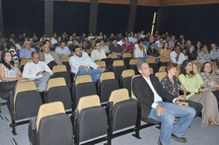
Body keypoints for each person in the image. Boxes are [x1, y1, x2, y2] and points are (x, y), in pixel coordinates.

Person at [133, 61, 195, 145]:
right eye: (145, 68)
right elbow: (141, 98)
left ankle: (176, 132)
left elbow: (163, 92)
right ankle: (163, 142)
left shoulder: (154, 78)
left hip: (162, 103)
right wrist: (156, 106)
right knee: (169, 118)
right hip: (150, 107)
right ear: (140, 71)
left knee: (191, 111)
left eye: (148, 67)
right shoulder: (136, 80)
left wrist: (176, 101)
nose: (149, 69)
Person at [179, 60, 219, 126]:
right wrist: (198, 90)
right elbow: (186, 88)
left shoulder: (193, 74)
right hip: (191, 95)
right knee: (208, 94)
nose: (192, 66)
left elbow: (201, 83)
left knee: (209, 94)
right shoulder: (182, 76)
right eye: (189, 65)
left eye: (192, 65)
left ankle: (211, 118)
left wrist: (196, 72)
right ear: (185, 67)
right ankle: (210, 118)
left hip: (198, 93)